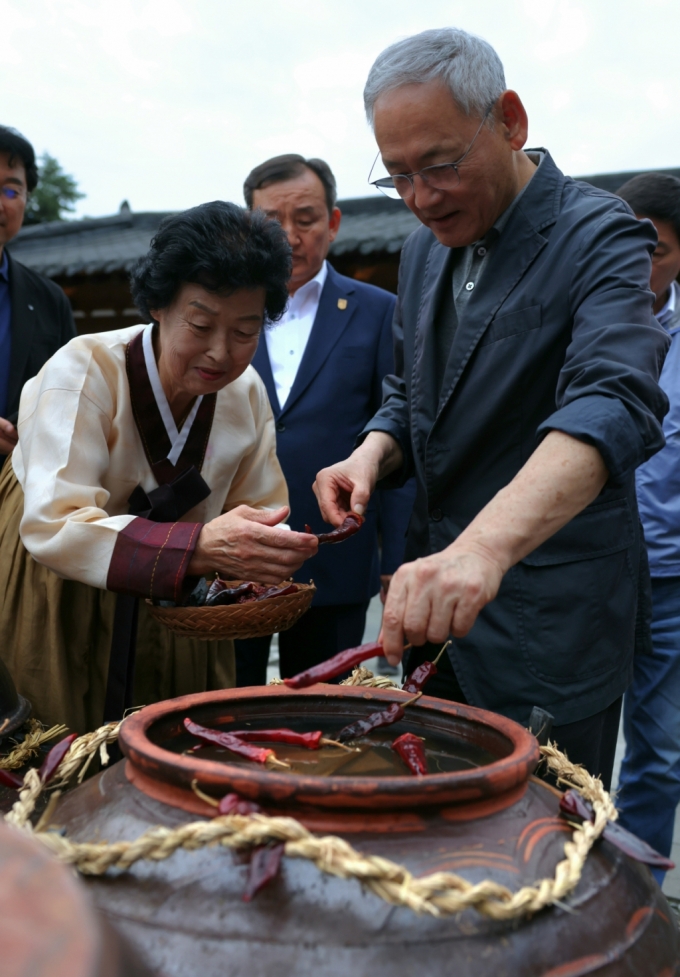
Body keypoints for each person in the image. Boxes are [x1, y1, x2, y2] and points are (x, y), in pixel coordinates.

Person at [313, 28, 670, 789]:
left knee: (545, 842)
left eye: (440, 165)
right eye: (398, 176)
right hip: (431, 605)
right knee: (430, 831)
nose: (419, 198)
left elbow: (613, 399)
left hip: (548, 614)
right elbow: (413, 392)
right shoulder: (421, 251)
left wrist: (482, 548)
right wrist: (372, 449)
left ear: (510, 120)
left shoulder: (600, 233)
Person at [0, 201, 318, 733]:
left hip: (175, 604)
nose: (220, 352)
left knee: (172, 742)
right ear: (159, 306)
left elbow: (257, 506)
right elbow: (55, 524)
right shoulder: (82, 370)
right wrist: (195, 547)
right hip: (60, 582)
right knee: (56, 748)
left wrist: (266, 550)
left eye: (244, 332)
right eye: (200, 324)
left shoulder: (245, 394)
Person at [234, 154, 414, 684]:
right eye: (271, 222)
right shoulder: (228, 310)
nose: (288, 236)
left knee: (323, 710)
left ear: (333, 223)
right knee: (231, 707)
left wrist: (395, 557)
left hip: (336, 550)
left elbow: (398, 427)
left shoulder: (380, 310)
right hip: (240, 549)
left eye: (306, 219)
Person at [614, 173, 680, 882]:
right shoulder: (586, 321)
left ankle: (637, 897)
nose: (638, 264)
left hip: (667, 580)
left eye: (655, 249)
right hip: (587, 569)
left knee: (659, 750)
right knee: (563, 733)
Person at [0, 126, 76, 458]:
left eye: (12, 191)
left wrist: (23, 427)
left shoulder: (49, 300)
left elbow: (67, 395)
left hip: (17, 486)